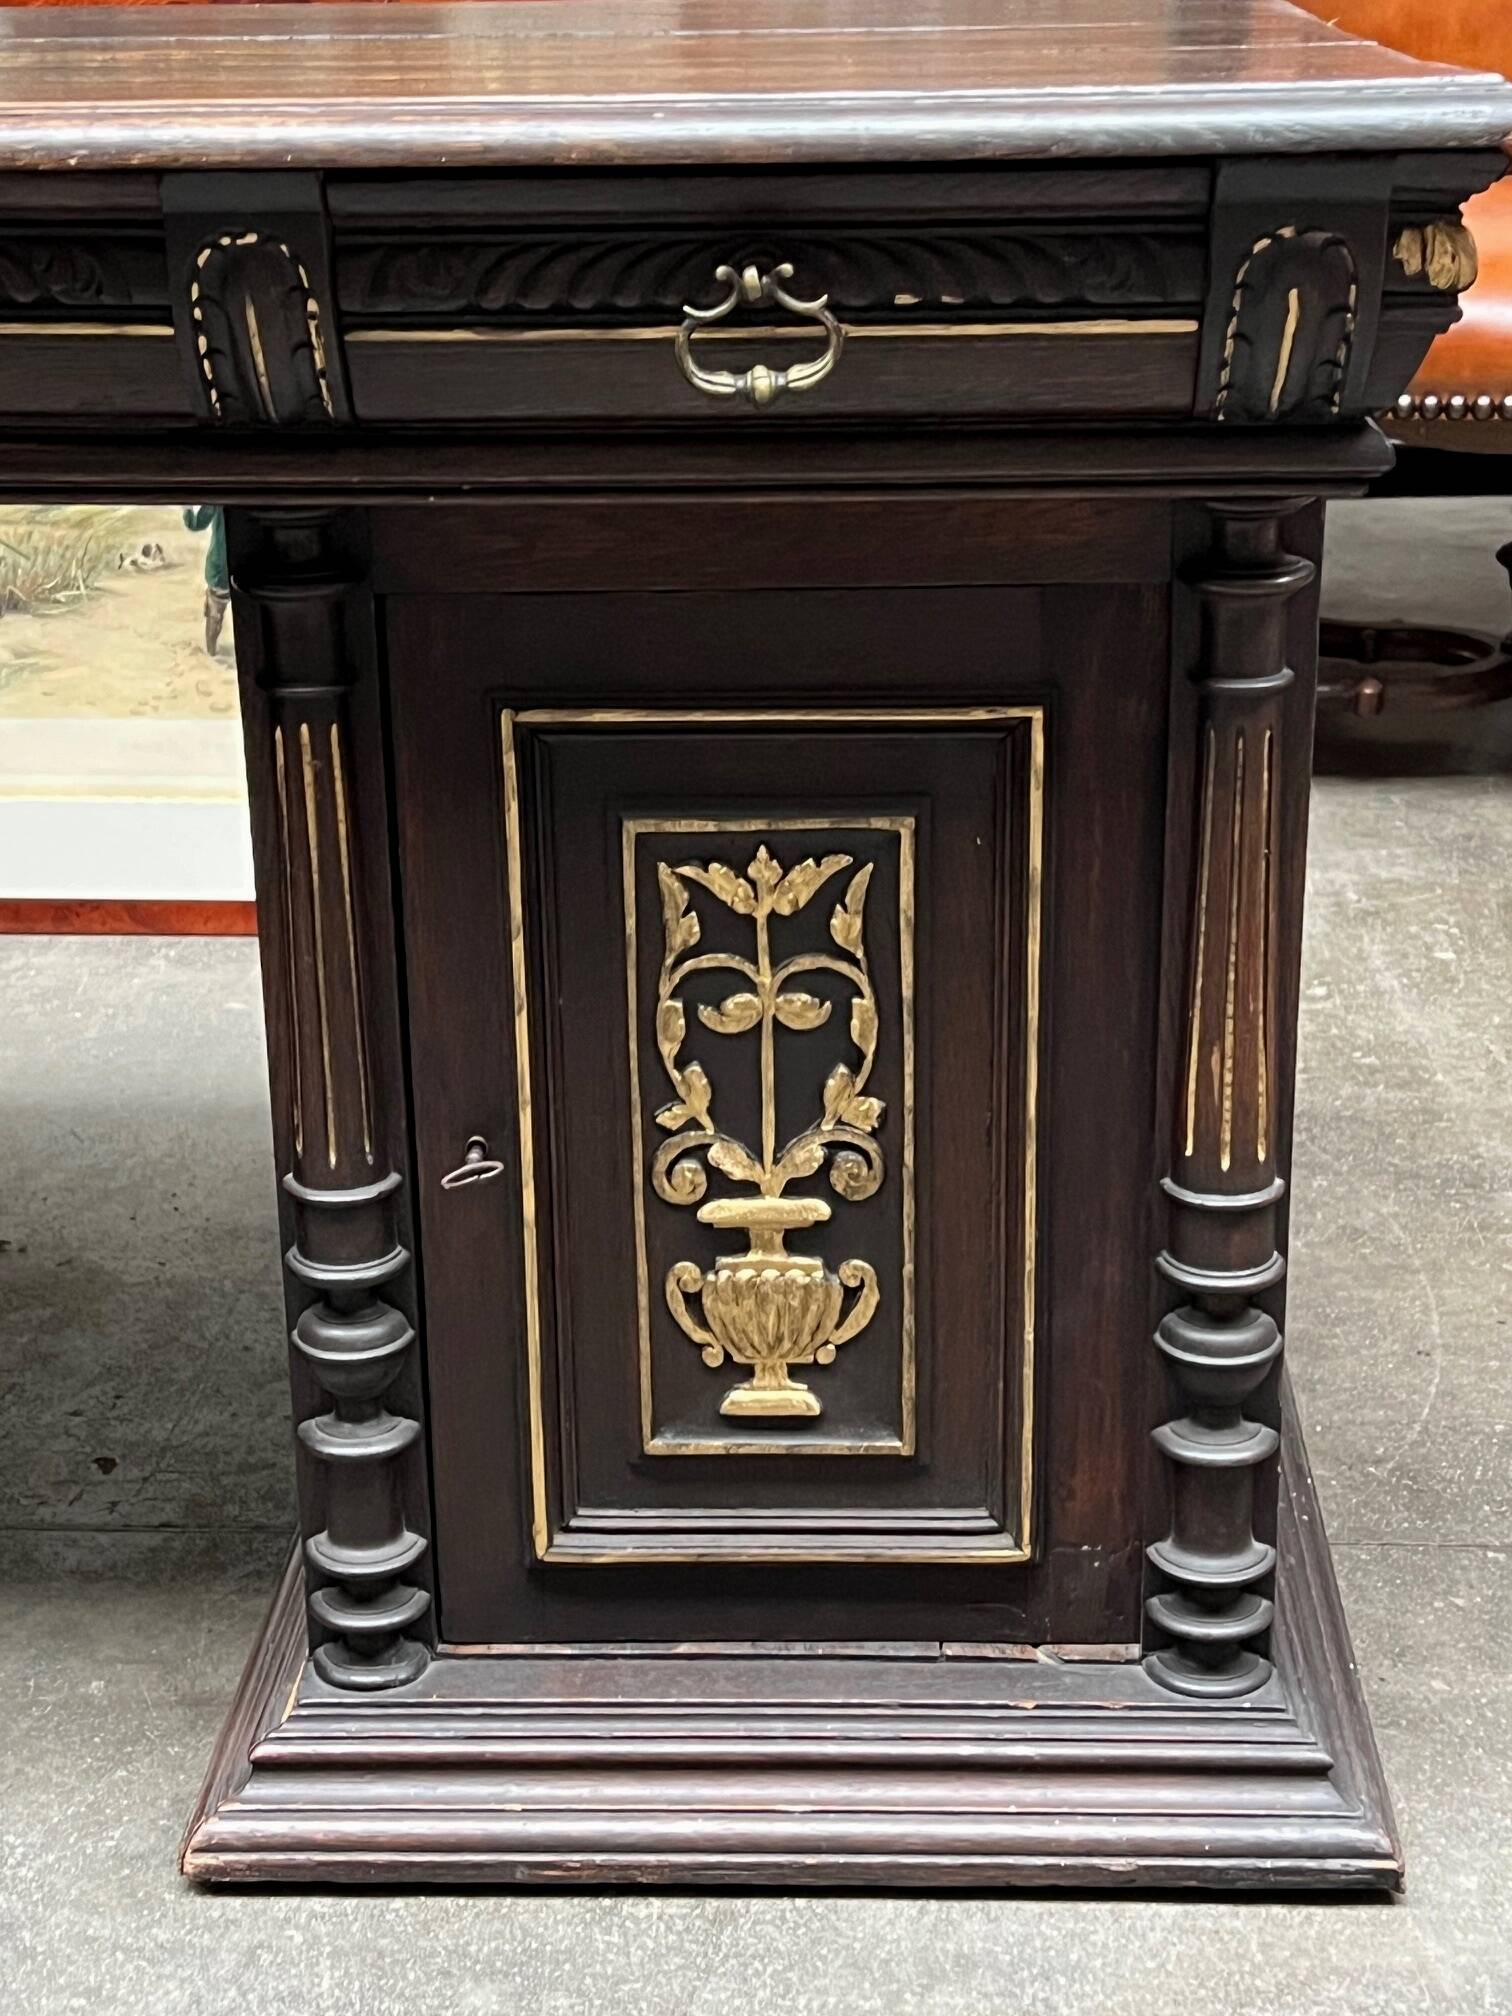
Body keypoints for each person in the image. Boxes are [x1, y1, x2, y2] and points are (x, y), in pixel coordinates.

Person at [182, 504, 229, 656]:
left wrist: (186, 508)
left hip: (221, 569)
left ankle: (212, 660)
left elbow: (195, 524)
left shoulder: (218, 492)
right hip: (251, 563)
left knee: (214, 619)